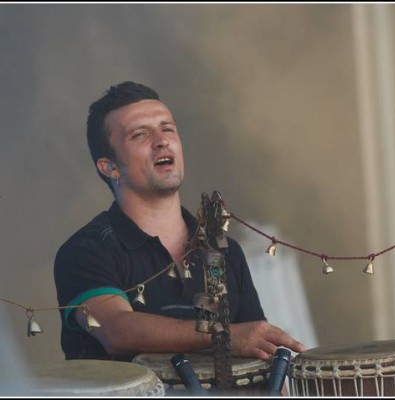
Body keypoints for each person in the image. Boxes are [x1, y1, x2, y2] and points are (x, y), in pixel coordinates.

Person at [54, 81, 305, 364]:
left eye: (167, 128)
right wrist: (223, 335)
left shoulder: (224, 251)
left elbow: (258, 352)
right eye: (140, 134)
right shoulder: (86, 251)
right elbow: (115, 330)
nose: (161, 140)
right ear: (110, 167)